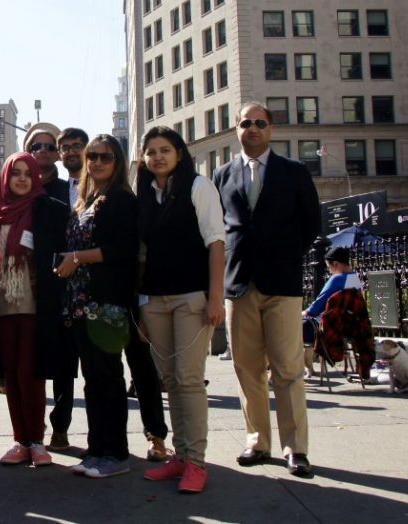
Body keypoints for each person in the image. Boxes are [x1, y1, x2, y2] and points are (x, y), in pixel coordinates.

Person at [213, 102, 321, 478]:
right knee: (247, 369)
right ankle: (257, 441)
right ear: (236, 130)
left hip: (282, 285)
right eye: (246, 123)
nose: (253, 129)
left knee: (289, 369)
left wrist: (288, 255)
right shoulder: (222, 175)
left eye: (260, 123)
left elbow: (311, 225)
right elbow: (218, 228)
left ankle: (296, 449)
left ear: (271, 129)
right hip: (239, 284)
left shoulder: (295, 172)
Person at [136, 126, 225, 493]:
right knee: (170, 381)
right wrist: (139, 306)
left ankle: (197, 462)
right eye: (151, 151)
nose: (158, 157)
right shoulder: (146, 194)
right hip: (154, 301)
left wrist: (216, 298)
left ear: (179, 154)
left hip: (192, 298)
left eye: (165, 150)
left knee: (189, 381)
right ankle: (180, 456)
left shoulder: (198, 187)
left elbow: (216, 243)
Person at [55, 134, 140, 479]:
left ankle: (116, 453)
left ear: (117, 162)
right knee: (92, 379)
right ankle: (96, 449)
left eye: (105, 157)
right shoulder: (85, 199)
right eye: (93, 157)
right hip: (79, 302)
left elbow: (124, 248)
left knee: (108, 378)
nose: (97, 163)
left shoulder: (121, 199)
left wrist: (76, 257)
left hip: (106, 304)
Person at [0, 152, 69, 467]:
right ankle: (19, 440)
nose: (21, 179)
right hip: (1, 307)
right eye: (15, 173)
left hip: (37, 305)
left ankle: (36, 440)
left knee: (31, 373)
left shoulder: (49, 211)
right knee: (10, 374)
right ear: (6, 178)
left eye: (27, 173)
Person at [45, 127, 87, 452]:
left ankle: (151, 436)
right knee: (62, 365)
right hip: (59, 287)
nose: (71, 152)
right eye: (65, 148)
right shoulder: (54, 191)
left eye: (77, 146)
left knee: (102, 367)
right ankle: (60, 428)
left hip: (96, 288)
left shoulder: (103, 186)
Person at [302, 246, 363, 344]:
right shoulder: (355, 279)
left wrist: (304, 313)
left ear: (335, 264)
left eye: (329, 267)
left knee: (292, 327)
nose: (329, 271)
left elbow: (317, 306)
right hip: (349, 328)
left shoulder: (337, 279)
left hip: (329, 329)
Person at [23, 122, 69, 206]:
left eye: (50, 147)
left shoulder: (69, 191)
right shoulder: (18, 188)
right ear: (29, 152)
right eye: (37, 146)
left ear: (58, 154)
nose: (43, 150)